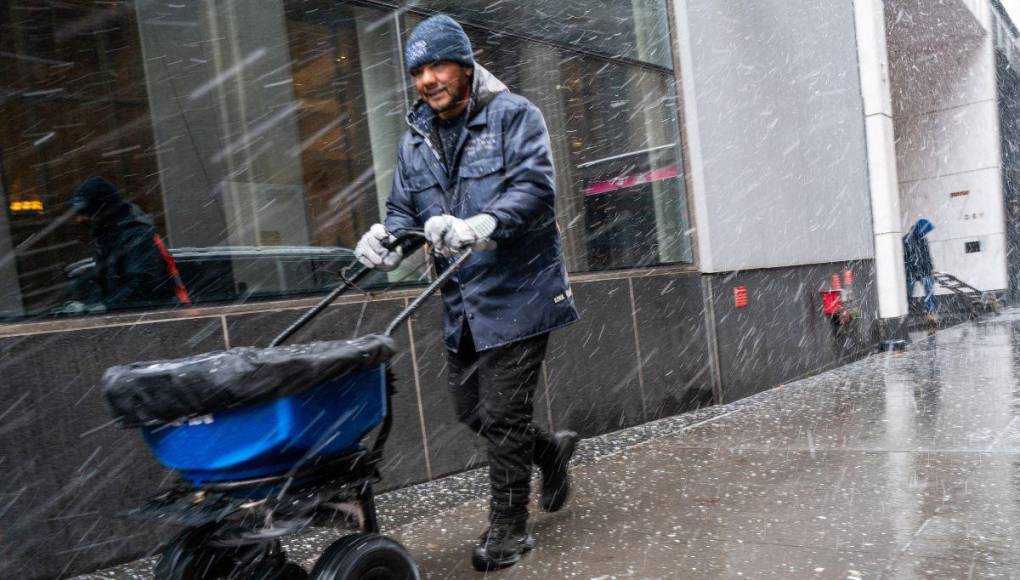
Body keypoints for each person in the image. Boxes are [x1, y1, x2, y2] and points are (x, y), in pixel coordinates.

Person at [354, 14, 580, 571]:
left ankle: (508, 528)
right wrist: (389, 239)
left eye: (438, 66)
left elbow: (534, 190)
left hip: (520, 291)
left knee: (503, 415)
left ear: (465, 64)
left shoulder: (513, 116)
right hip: (460, 300)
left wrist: (480, 224)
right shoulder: (416, 138)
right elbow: (405, 210)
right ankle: (549, 451)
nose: (428, 79)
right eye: (418, 70)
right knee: (472, 411)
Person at [66, 176, 190, 313]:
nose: (80, 219)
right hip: (127, 321)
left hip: (150, 321)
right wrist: (89, 307)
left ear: (102, 208)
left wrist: (106, 307)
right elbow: (101, 285)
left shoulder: (138, 236)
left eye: (85, 212)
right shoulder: (106, 239)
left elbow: (144, 285)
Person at [903, 218, 936, 321]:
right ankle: (909, 314)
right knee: (912, 293)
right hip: (914, 272)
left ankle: (931, 317)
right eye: (924, 231)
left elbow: (926, 256)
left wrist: (929, 267)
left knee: (928, 293)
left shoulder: (921, 240)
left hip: (920, 271)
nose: (925, 234)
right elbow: (908, 258)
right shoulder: (907, 241)